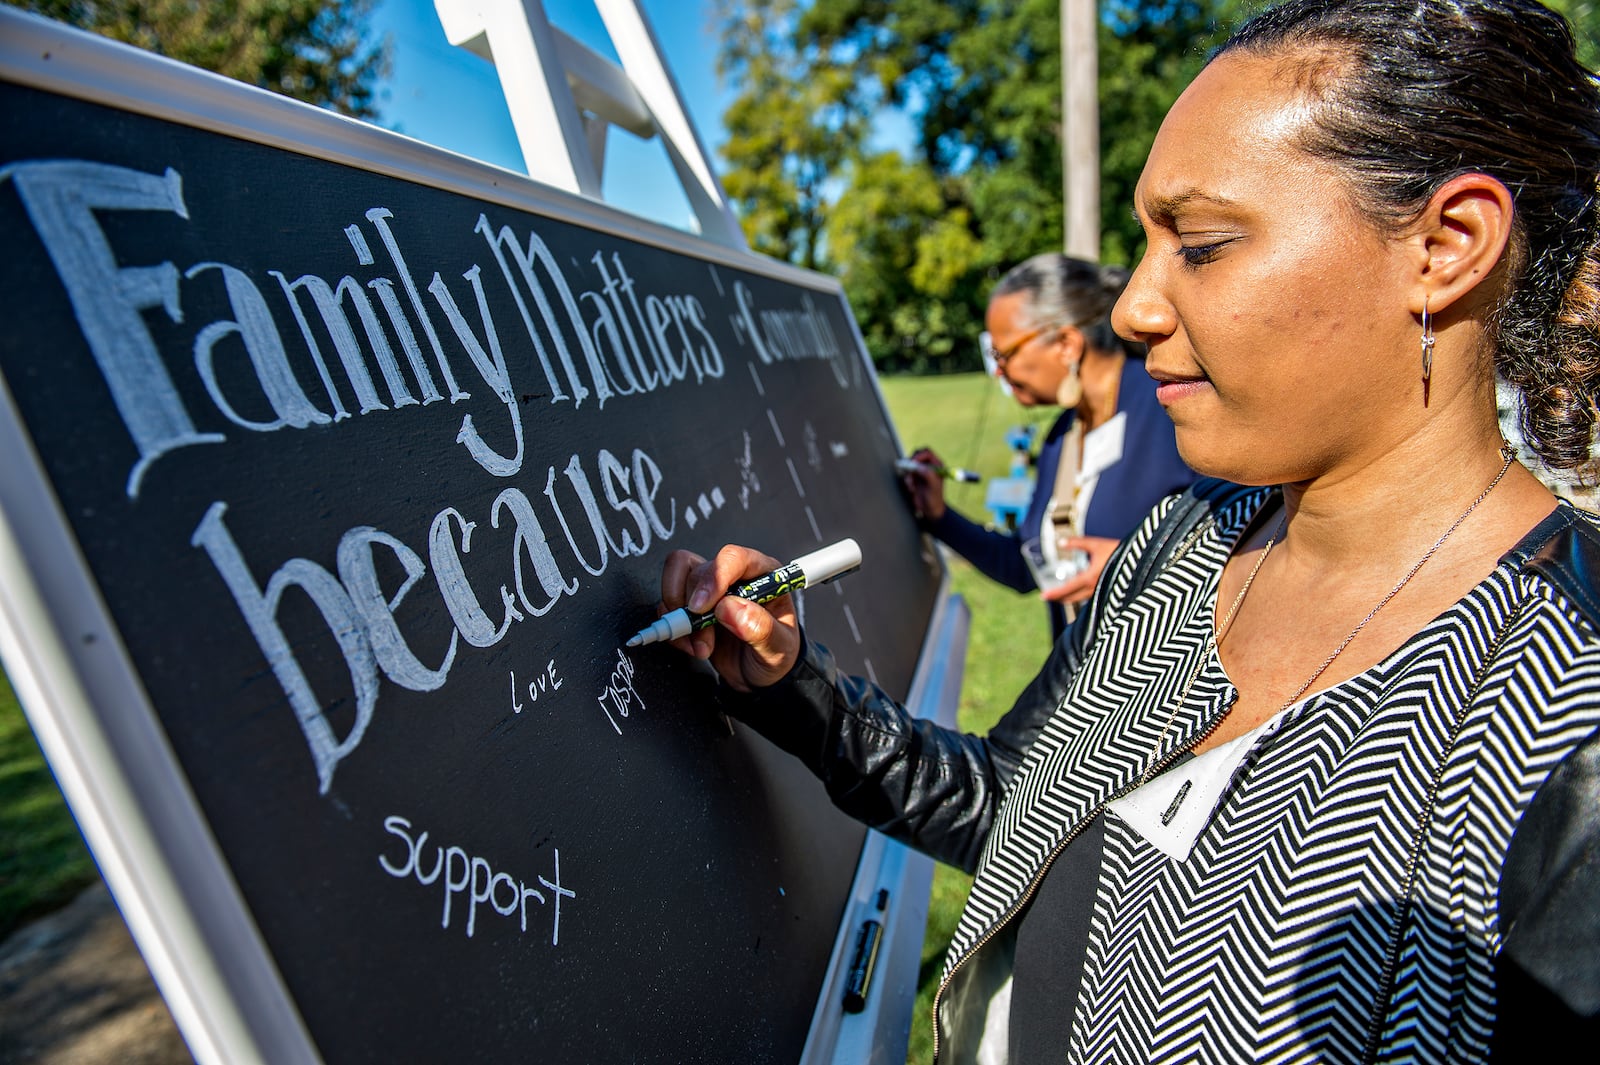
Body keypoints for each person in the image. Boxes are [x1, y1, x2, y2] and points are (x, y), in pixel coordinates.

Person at [653, 0, 1600, 1058]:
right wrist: (792, 685)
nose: (1136, 307)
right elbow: (1012, 807)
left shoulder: (1567, 724)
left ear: (1445, 244)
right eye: (1145, 244)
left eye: (1198, 245)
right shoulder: (1187, 541)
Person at [902, 255, 1195, 637]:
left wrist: (1133, 566)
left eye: (1004, 354)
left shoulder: (1169, 413)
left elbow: (1247, 543)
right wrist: (940, 516)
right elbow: (1027, 567)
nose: (999, 372)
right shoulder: (1063, 436)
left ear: (1066, 344)